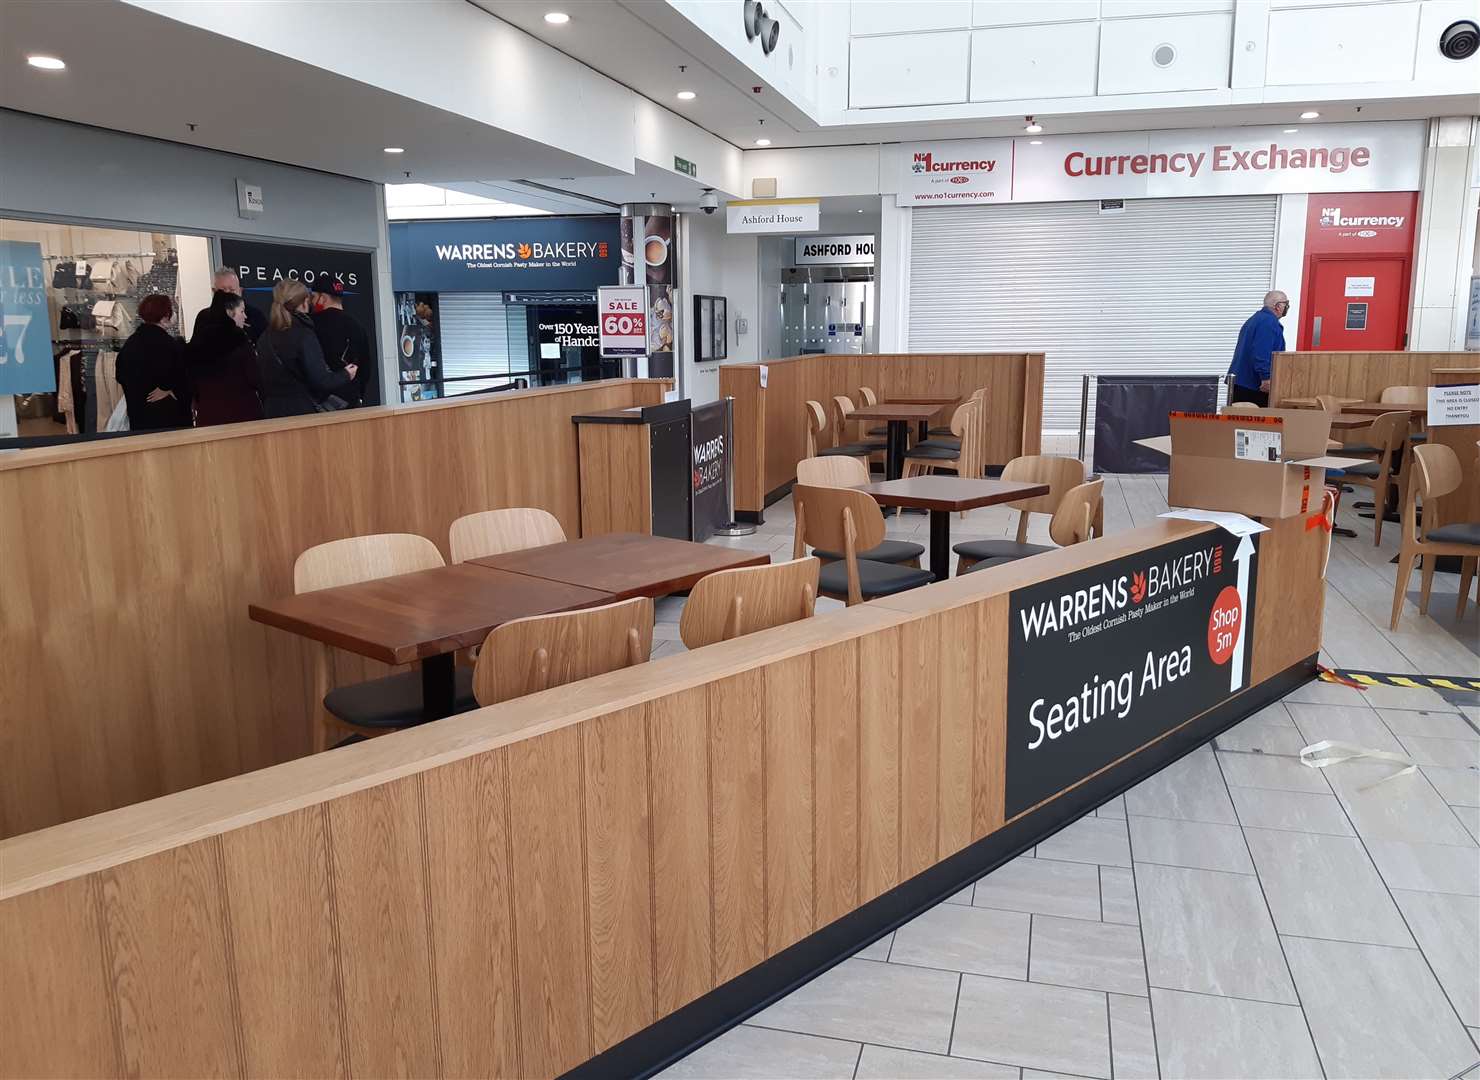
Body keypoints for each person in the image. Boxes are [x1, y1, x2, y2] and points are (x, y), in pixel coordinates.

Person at [256, 279, 358, 418]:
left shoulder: (264, 337)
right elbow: (321, 379)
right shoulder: (303, 335)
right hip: (301, 413)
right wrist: (346, 374)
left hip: (271, 412)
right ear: (304, 302)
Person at [115, 293, 191, 430]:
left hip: (138, 416)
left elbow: (120, 375)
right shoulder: (169, 344)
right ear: (164, 317)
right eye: (171, 311)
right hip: (170, 419)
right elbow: (182, 376)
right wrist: (167, 388)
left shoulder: (131, 343)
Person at [188, 290, 262, 426]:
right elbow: (254, 377)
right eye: (241, 311)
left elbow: (192, 380)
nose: (245, 316)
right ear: (229, 312)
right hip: (242, 415)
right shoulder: (239, 340)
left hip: (208, 416)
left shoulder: (199, 341)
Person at [310, 276, 373, 405]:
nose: (311, 302)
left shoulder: (311, 324)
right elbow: (366, 369)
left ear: (323, 298)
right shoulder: (357, 325)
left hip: (319, 403)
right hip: (351, 400)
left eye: (313, 297)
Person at [1227, 290, 1289, 408]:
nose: (1287, 307)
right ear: (1277, 306)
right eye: (1286, 304)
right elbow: (1261, 352)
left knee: (1239, 423)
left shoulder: (1256, 319)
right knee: (1256, 425)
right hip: (1253, 386)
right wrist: (1266, 378)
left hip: (1242, 383)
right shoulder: (1268, 322)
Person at [192, 267, 267, 343]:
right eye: (222, 291)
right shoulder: (204, 317)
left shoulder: (255, 316)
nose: (227, 295)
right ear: (214, 291)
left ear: (240, 291)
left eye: (232, 290)